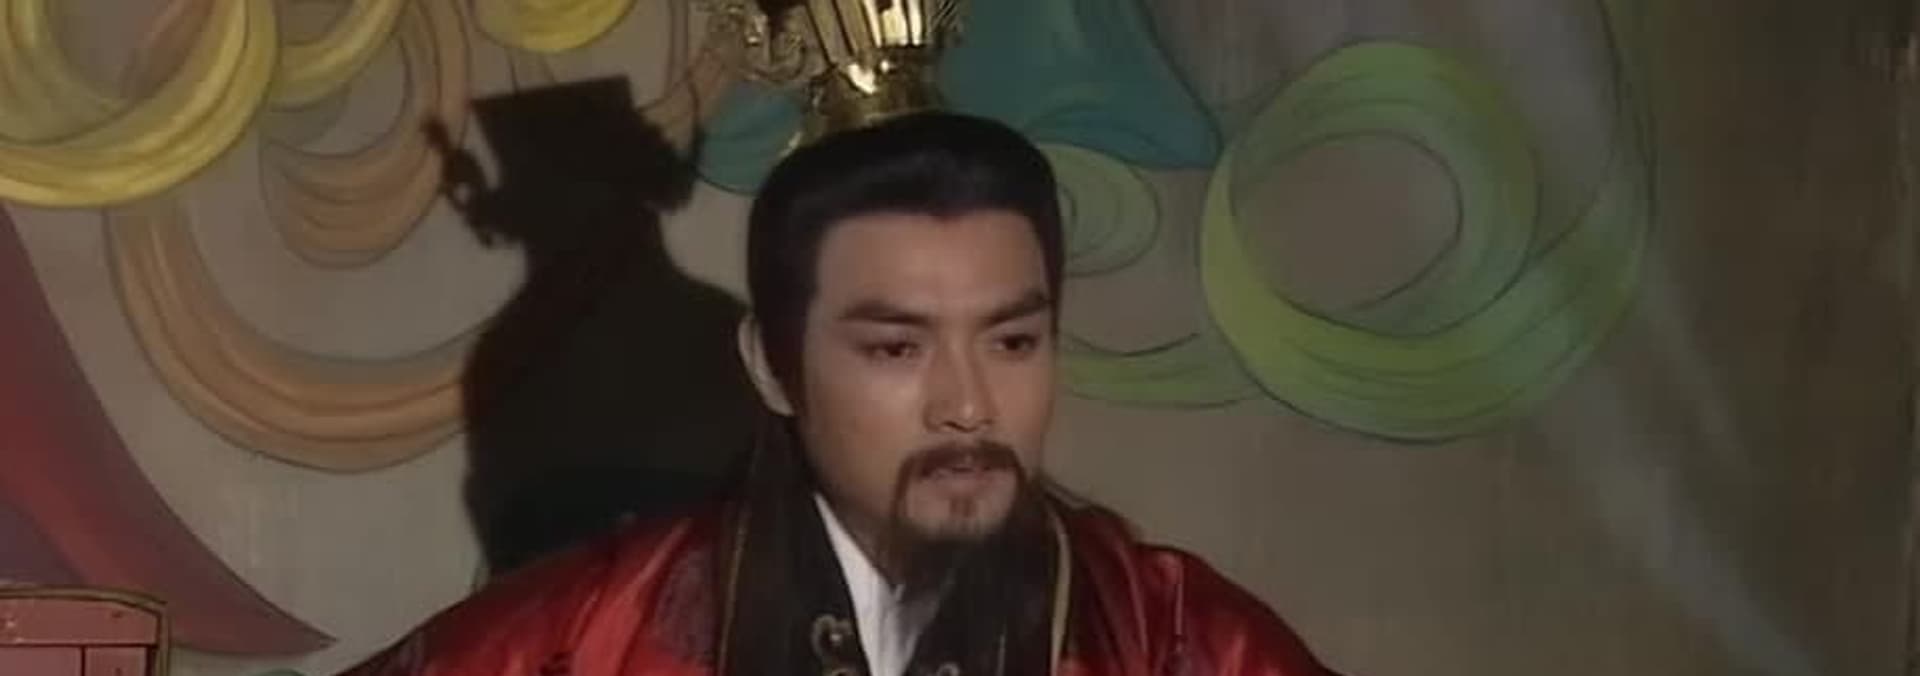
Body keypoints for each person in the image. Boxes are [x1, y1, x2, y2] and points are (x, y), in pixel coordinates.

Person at [338, 112, 1342, 676]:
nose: (968, 405)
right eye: (897, 348)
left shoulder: (1171, 636)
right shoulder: (593, 636)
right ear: (773, 365)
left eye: (1013, 340)